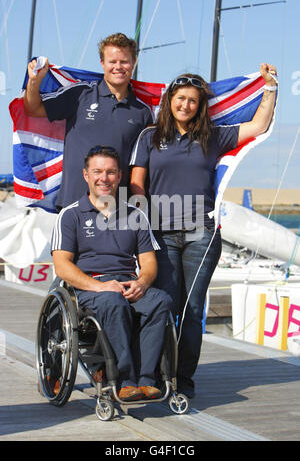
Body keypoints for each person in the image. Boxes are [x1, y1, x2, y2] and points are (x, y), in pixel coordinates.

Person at [130, 63, 278, 398]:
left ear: (200, 105)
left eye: (193, 100)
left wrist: (270, 87)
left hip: (201, 234)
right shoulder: (149, 137)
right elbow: (136, 184)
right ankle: (155, 374)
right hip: (161, 234)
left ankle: (183, 378)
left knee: (193, 309)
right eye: (180, 98)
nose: (185, 105)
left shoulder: (213, 135)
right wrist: (141, 223)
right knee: (164, 304)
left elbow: (259, 124)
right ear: (170, 100)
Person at [51, 145, 171, 401]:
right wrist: (100, 287)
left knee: (160, 300)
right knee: (113, 301)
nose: (103, 178)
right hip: (89, 287)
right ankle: (124, 380)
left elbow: (149, 264)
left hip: (127, 284)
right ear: (86, 175)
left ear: (119, 176)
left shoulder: (136, 215)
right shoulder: (70, 215)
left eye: (110, 172)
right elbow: (62, 265)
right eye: (97, 172)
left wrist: (142, 282)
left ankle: (147, 380)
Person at [24, 33, 153, 210]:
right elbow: (33, 109)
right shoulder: (80, 94)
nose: (118, 67)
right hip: (73, 203)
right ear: (102, 63)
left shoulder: (143, 112)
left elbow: (142, 163)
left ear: (134, 62)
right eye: (112, 61)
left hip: (117, 208)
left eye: (124, 61)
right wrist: (34, 81)